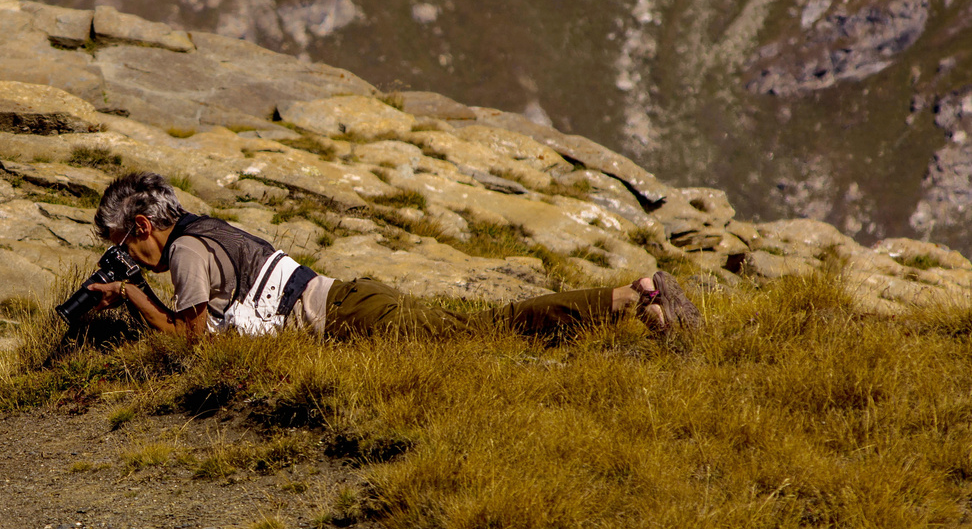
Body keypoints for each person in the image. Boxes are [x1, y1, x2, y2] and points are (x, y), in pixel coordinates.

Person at [87, 172, 700, 342]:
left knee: (494, 327)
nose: (129, 257)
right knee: (491, 336)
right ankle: (637, 319)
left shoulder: (188, 250)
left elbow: (190, 341)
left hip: (353, 317)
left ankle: (633, 294)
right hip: (355, 304)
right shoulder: (205, 228)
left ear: (142, 224)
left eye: (123, 245)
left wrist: (132, 297)